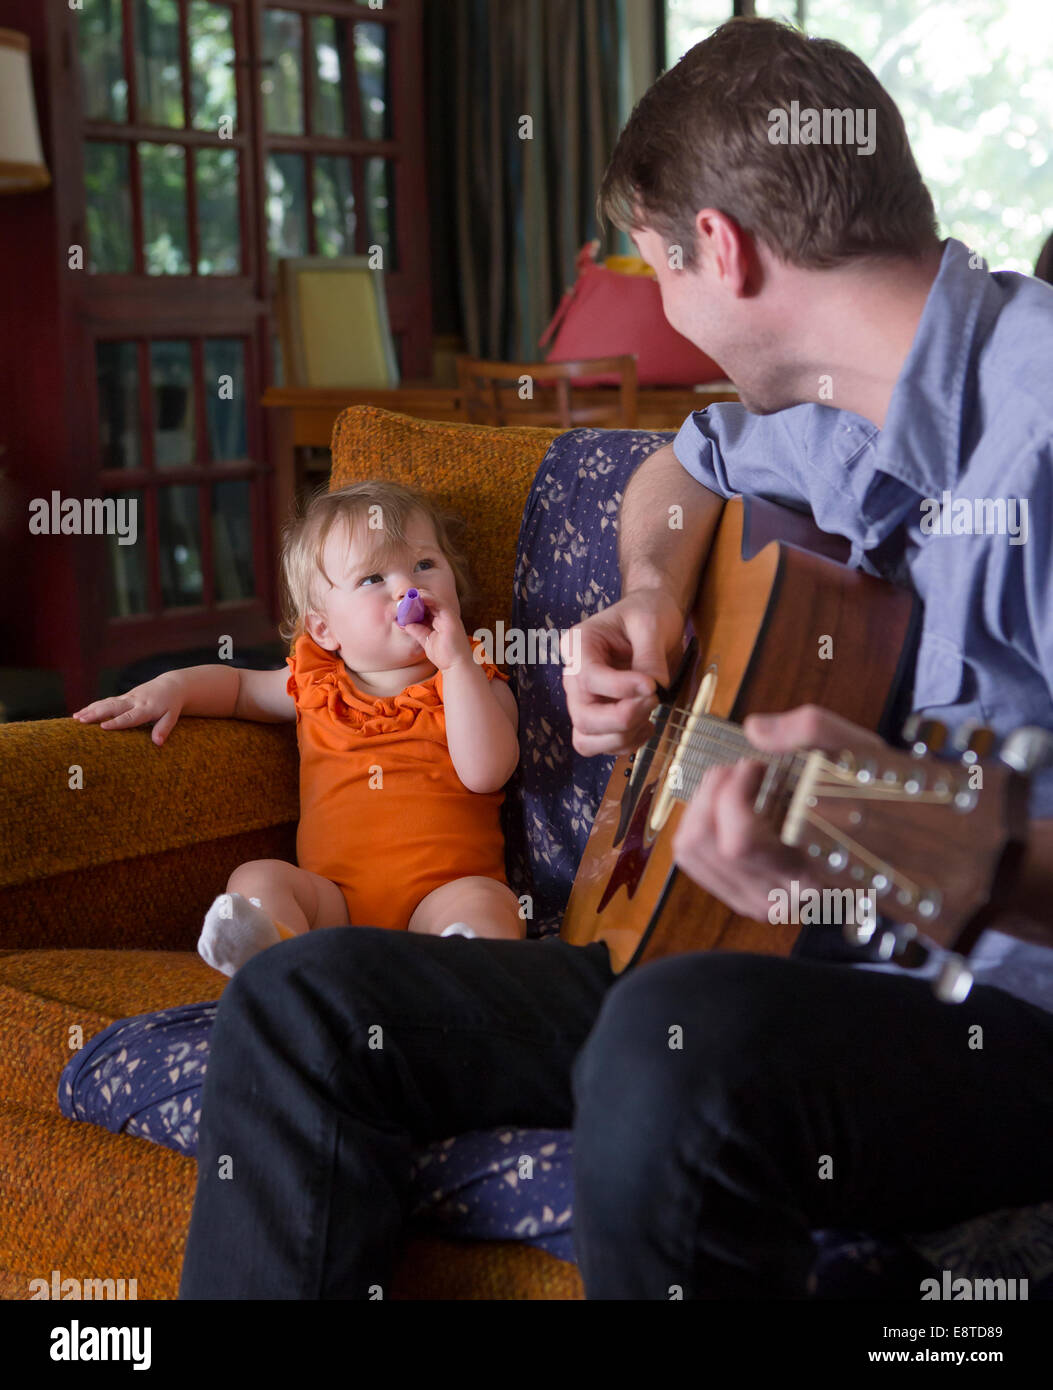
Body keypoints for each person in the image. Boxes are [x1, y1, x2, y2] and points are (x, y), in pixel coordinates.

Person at [177, 17, 1053, 1299]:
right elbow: (678, 468)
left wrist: (912, 836)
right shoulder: (830, 412)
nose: (677, 318)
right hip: (777, 957)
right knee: (301, 1001)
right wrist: (649, 595)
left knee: (669, 1045)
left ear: (721, 248)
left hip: (1008, 1022)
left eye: (658, 272)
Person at [72, 480, 524, 976]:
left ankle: (466, 967)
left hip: (441, 898)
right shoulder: (315, 683)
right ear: (325, 629)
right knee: (257, 875)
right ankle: (275, 954)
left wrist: (456, 665)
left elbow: (487, 772)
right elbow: (239, 689)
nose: (407, 589)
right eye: (374, 578)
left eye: (424, 565)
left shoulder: (474, 679)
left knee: (488, 901)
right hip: (335, 907)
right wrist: (174, 686)